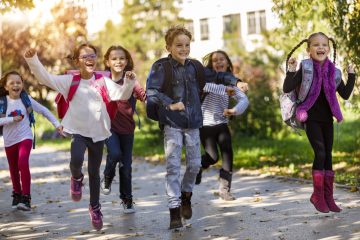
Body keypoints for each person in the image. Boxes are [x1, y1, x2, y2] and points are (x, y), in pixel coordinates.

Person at [24, 43, 136, 230]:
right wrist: (32, 60)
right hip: (78, 131)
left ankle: (95, 207)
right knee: (76, 160)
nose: (90, 59)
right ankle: (76, 178)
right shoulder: (70, 81)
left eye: (92, 55)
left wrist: (129, 82)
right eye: (85, 56)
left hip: (98, 134)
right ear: (77, 61)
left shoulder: (103, 81)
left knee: (94, 173)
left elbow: (121, 94)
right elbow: (45, 78)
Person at [146, 26, 239, 229]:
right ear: (168, 47)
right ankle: (174, 211)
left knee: (195, 165)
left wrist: (235, 82)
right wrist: (169, 103)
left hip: (194, 124)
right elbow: (151, 91)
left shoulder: (195, 67)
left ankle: (186, 195)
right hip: (172, 124)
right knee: (172, 167)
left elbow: (216, 77)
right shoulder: (161, 67)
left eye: (187, 45)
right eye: (178, 45)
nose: (183, 49)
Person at [283, 32, 355, 213]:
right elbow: (287, 88)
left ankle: (328, 197)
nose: (320, 47)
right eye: (316, 45)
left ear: (329, 49)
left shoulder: (334, 72)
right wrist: (291, 71)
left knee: (328, 155)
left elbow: (345, 94)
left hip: (326, 119)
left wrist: (351, 74)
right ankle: (317, 195)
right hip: (310, 117)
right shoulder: (306, 68)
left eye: (324, 44)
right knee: (320, 152)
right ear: (308, 50)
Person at [0, 71, 62, 211]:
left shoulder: (26, 99)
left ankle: (26, 198)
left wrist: (57, 125)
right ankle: (17, 194)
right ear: (5, 86)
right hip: (9, 140)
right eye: (12, 83)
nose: (16, 85)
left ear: (22, 84)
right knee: (13, 169)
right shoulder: (2, 102)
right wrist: (11, 119)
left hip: (25, 137)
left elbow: (44, 110)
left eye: (19, 82)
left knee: (22, 163)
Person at [195, 50, 249, 201]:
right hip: (205, 125)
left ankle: (225, 190)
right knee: (212, 157)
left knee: (228, 153)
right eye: (215, 60)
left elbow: (244, 100)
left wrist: (234, 110)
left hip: (222, 124)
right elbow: (205, 87)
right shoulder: (206, 80)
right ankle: (198, 167)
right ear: (211, 65)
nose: (218, 62)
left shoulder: (231, 82)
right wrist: (225, 89)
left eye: (222, 59)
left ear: (228, 63)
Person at [100, 45, 146, 214]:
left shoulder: (132, 79)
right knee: (115, 153)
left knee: (126, 167)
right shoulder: (103, 81)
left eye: (121, 58)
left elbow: (143, 94)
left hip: (127, 129)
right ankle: (107, 176)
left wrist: (153, 101)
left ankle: (127, 200)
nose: (118, 61)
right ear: (107, 62)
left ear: (126, 61)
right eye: (114, 58)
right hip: (109, 127)